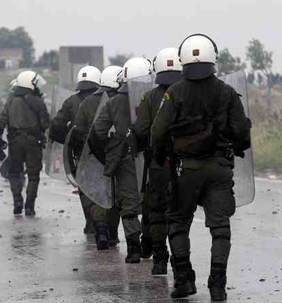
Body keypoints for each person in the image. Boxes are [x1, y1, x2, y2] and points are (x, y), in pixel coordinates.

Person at [151, 34, 251, 301]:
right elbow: (242, 132)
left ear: (184, 59)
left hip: (185, 171)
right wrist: (236, 146)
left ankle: (183, 281)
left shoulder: (174, 92)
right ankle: (217, 286)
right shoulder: (227, 92)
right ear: (213, 58)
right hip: (219, 169)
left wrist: (161, 158)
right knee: (220, 228)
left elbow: (157, 132)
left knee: (178, 223)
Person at [92, 57, 152, 263]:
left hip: (124, 158)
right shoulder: (155, 97)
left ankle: (133, 249)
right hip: (152, 158)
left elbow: (97, 133)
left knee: (128, 205)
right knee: (154, 201)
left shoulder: (113, 102)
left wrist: (109, 155)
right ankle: (150, 245)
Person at [130, 48, 182, 275]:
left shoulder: (149, 98)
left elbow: (140, 130)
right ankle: (181, 262)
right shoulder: (187, 92)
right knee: (180, 215)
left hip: (159, 165)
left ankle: (160, 260)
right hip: (185, 165)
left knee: (158, 212)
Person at [72, 65, 123, 249]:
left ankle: (100, 229)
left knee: (96, 194)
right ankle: (113, 234)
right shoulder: (122, 100)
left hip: (91, 155)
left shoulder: (86, 103)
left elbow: (77, 132)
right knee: (114, 194)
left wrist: (79, 155)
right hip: (117, 156)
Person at [49, 66, 101, 232]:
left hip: (79, 153)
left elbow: (55, 127)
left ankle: (91, 222)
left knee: (84, 188)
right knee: (104, 186)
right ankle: (103, 224)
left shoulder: (71, 102)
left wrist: (69, 140)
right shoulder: (104, 99)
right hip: (103, 152)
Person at [0, 71, 49, 216]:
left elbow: (0, 122)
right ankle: (29, 206)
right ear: (30, 83)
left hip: (15, 142)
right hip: (33, 143)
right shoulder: (38, 101)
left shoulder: (11, 100)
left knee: (14, 173)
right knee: (33, 175)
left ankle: (17, 200)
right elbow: (46, 123)